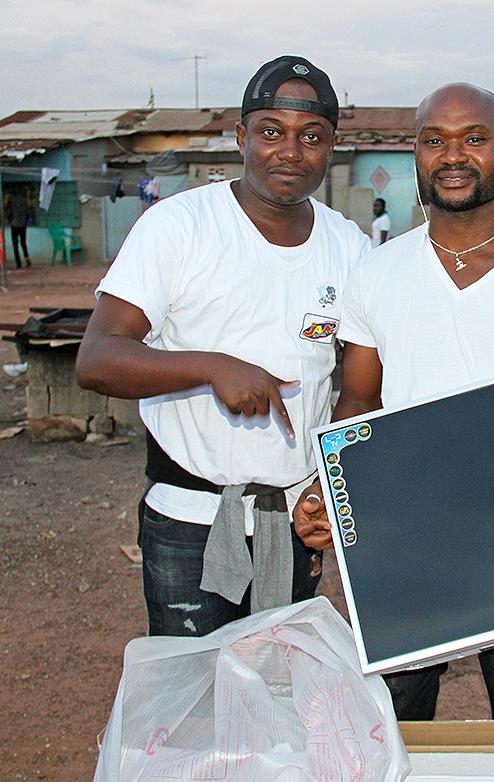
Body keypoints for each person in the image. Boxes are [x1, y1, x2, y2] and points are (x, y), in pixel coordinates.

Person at [294, 83, 494, 727]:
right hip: (405, 531)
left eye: (474, 138)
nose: (453, 155)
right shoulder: (376, 273)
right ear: (416, 152)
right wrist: (328, 486)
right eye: (434, 140)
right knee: (396, 716)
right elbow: (358, 400)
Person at [76, 55, 370, 636]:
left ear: (331, 146)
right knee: (191, 683)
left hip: (293, 517)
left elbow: (360, 390)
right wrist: (211, 367)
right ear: (241, 136)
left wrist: (329, 487)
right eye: (271, 132)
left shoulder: (350, 248)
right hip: (189, 517)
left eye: (311, 136)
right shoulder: (179, 227)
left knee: (280, 683)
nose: (291, 151)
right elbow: (97, 358)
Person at [6, 192, 32, 268]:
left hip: (14, 225)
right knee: (23, 243)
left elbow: (9, 213)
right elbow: (28, 214)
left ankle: (18, 263)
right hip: (22, 225)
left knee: (15, 245)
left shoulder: (11, 201)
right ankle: (27, 259)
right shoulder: (24, 201)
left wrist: (10, 221)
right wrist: (25, 222)